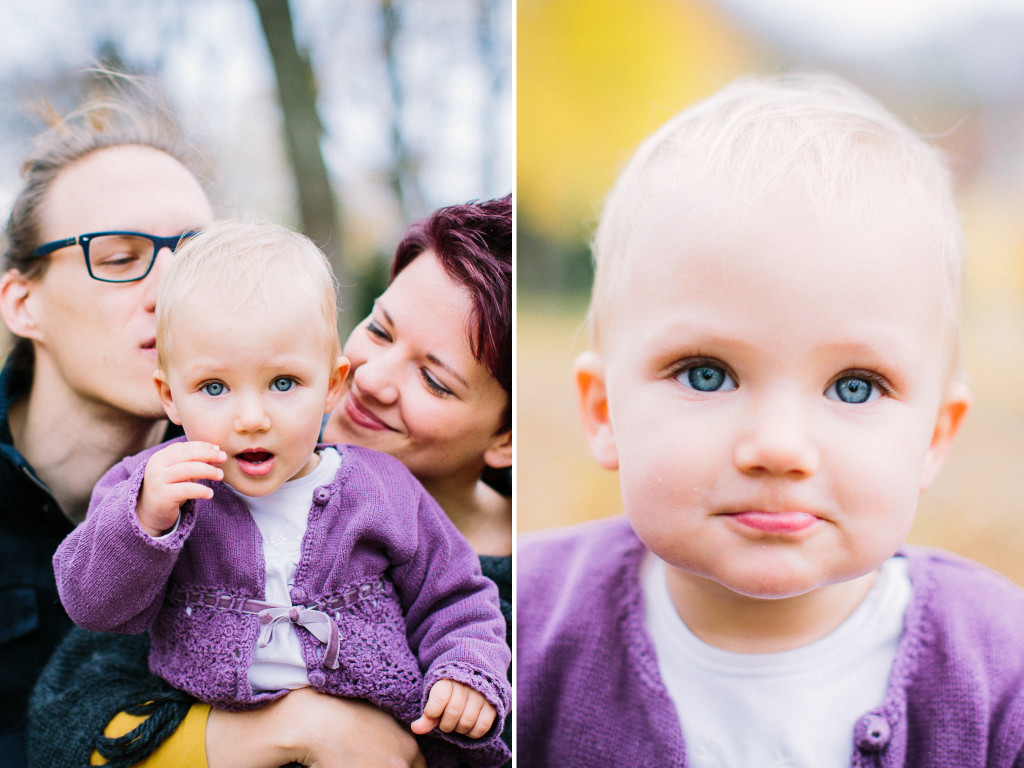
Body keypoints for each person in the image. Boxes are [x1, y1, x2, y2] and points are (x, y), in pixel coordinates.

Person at [517, 72, 1024, 767]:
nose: (779, 448)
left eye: (854, 387)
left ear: (934, 436)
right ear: (605, 412)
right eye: (708, 374)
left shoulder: (1001, 672)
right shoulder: (522, 624)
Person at [0, 79, 429, 768]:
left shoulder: (275, 471)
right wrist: (279, 732)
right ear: (23, 304)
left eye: (196, 255)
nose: (173, 287)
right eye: (119, 258)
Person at [29, 196, 513, 768]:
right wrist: (141, 524)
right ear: (170, 396)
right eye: (380, 331)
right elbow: (81, 653)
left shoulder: (389, 495)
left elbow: (456, 598)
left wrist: (467, 671)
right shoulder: (165, 488)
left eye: (434, 380)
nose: (251, 417)